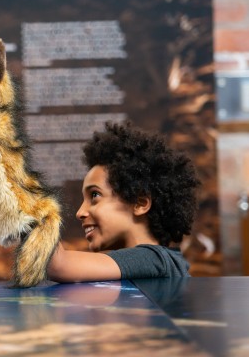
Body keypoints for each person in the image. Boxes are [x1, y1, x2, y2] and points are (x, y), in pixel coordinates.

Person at [47, 121, 200, 282]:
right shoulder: (138, 266)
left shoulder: (155, 258)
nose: (80, 213)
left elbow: (57, 265)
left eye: (94, 195)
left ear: (140, 204)